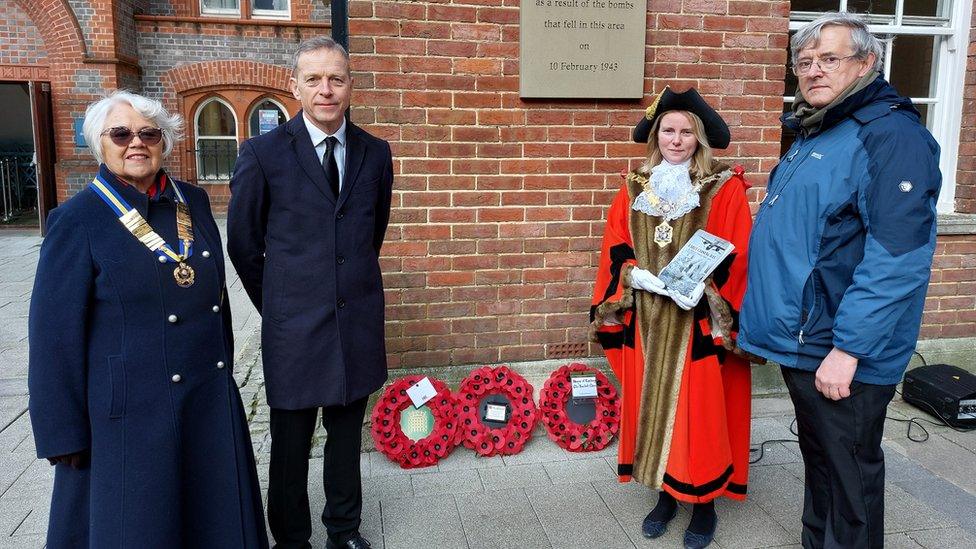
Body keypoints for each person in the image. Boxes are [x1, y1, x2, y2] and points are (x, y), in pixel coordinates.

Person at [27, 90, 268, 548]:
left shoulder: (192, 202)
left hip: (204, 398)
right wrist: (63, 434)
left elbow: (214, 297)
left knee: (212, 522)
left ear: (164, 142)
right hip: (128, 413)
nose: (135, 143)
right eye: (120, 133)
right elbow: (53, 337)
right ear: (101, 144)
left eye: (149, 133)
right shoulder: (77, 220)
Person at [738, 12, 941, 549]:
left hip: (841, 350)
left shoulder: (892, 136)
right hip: (808, 342)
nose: (813, 71)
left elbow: (898, 257)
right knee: (823, 464)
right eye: (804, 62)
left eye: (829, 59)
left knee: (849, 477)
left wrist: (849, 349)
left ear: (867, 62)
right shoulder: (818, 130)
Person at [227, 36, 394, 549]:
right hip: (294, 329)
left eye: (336, 79)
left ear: (350, 85)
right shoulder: (263, 154)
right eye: (315, 79)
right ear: (294, 85)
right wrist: (281, 305)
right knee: (291, 444)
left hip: (356, 323)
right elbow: (244, 245)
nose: (326, 90)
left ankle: (343, 530)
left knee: (346, 440)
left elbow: (371, 234)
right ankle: (292, 538)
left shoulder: (375, 152)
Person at [590, 87, 754, 549]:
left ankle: (703, 505)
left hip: (697, 323)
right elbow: (616, 244)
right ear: (655, 135)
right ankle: (664, 493)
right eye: (668, 130)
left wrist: (704, 290)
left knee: (698, 413)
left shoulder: (724, 187)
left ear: (699, 138)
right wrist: (633, 277)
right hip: (647, 319)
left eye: (686, 131)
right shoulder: (634, 186)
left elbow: (737, 251)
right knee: (651, 404)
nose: (676, 140)